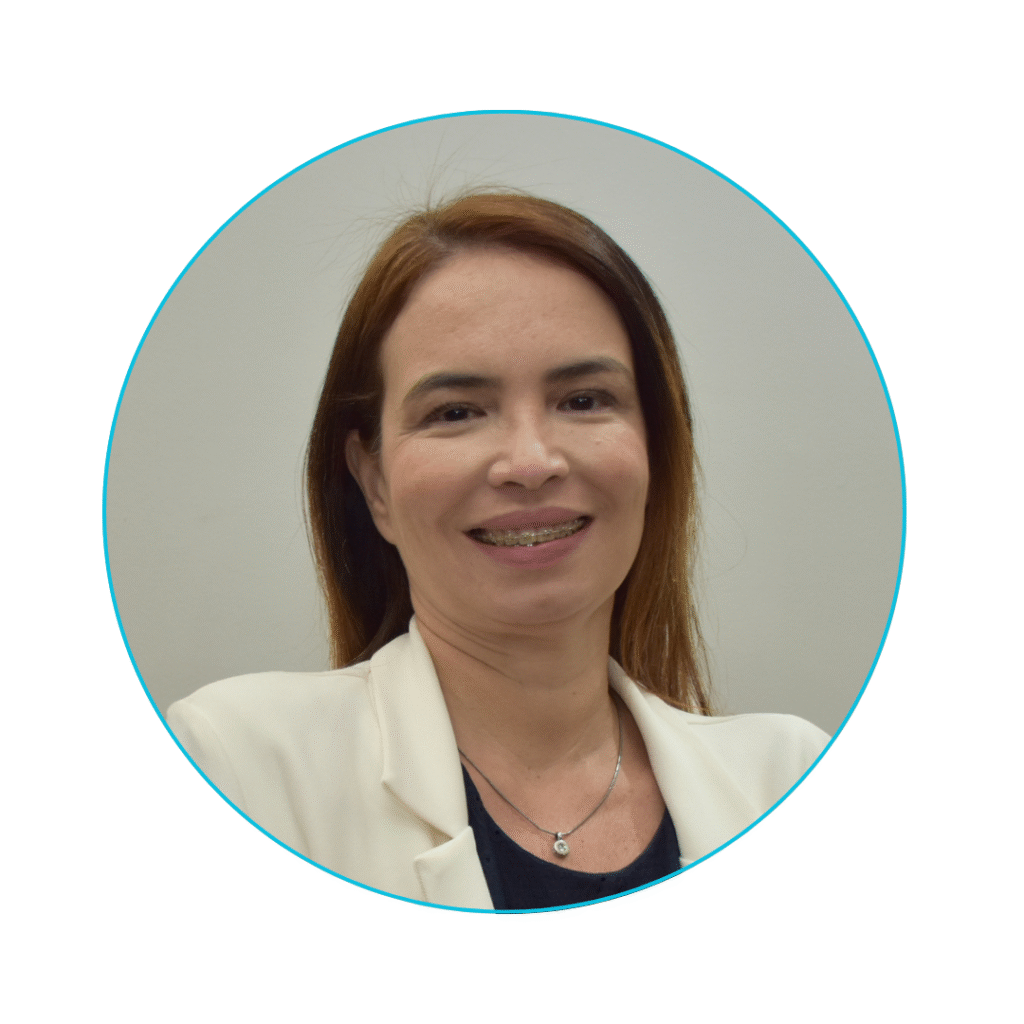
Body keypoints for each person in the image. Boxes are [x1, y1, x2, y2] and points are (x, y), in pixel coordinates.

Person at [167, 192, 828, 911]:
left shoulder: (791, 779)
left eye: (583, 400)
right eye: (456, 412)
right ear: (375, 483)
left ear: (655, 449)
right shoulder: (235, 769)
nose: (531, 462)